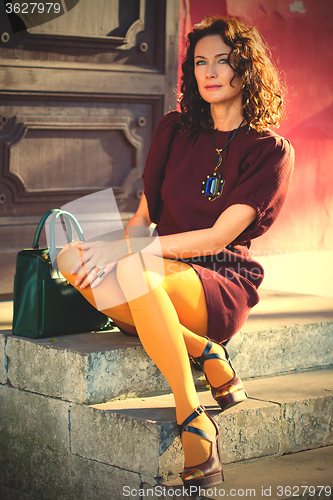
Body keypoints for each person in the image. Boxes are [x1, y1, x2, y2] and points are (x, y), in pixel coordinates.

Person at [57, 15, 294, 489]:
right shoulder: (174, 130)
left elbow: (216, 238)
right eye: (201, 62)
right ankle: (203, 351)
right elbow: (143, 219)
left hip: (218, 282)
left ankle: (194, 417)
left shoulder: (270, 150)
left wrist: (134, 254)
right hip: (154, 267)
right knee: (69, 255)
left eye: (222, 62)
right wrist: (113, 249)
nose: (209, 72)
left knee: (134, 271)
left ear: (245, 69)